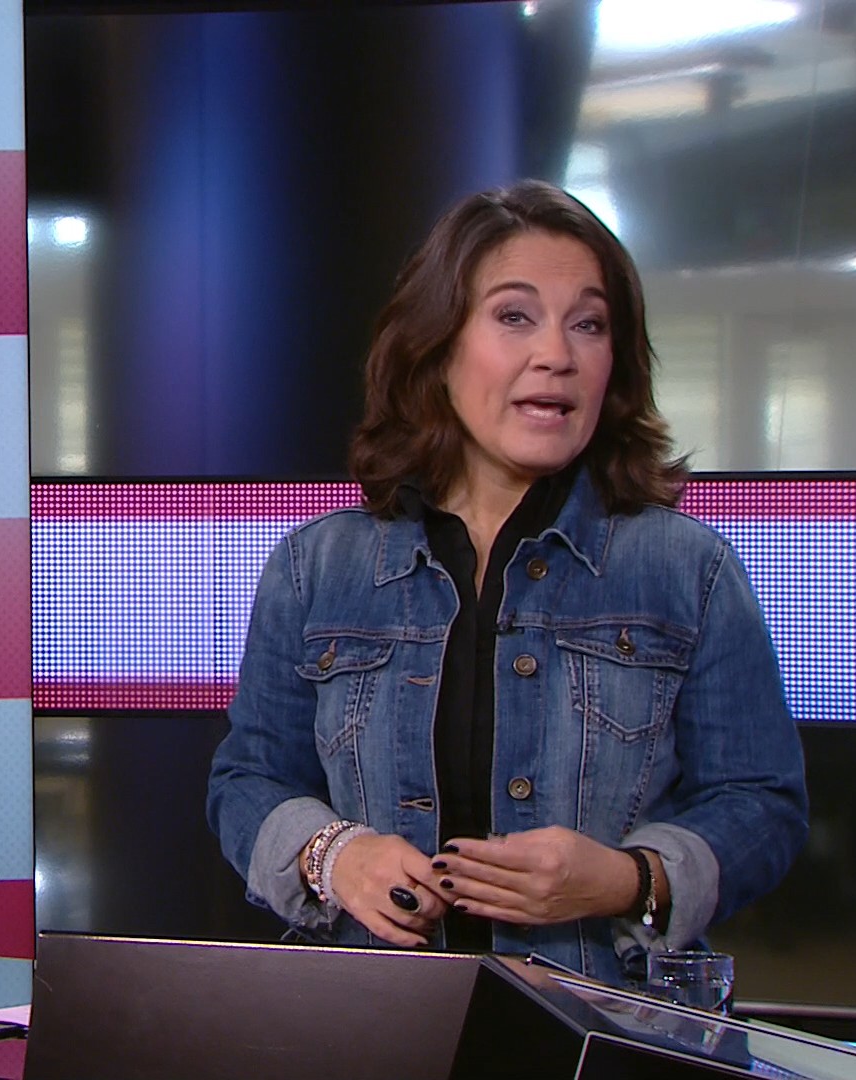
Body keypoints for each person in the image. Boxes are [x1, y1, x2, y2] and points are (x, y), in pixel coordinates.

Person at [205, 180, 808, 985]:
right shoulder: (317, 568)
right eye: (515, 316)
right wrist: (334, 856)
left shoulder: (687, 569)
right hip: (373, 1020)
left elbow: (762, 805)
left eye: (588, 324)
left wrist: (628, 878)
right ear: (439, 344)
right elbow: (248, 781)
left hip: (606, 1022)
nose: (557, 354)